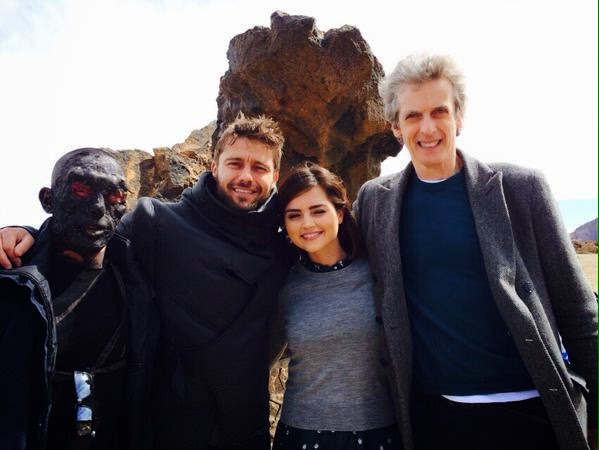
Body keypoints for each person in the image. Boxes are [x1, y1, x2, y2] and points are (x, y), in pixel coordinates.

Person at [0, 113, 293, 450]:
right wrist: (26, 236)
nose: (245, 176)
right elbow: (89, 239)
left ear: (275, 176)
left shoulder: (285, 248)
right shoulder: (156, 222)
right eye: (235, 163)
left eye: (259, 167)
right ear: (214, 166)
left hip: (243, 427)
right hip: (166, 427)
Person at [353, 53, 598, 450]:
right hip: (435, 419)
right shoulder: (374, 201)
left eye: (439, 111)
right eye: (413, 116)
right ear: (396, 126)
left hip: (534, 412)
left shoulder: (521, 188)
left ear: (459, 117)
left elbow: (579, 311)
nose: (428, 127)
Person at [0, 148, 156, 450]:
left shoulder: (139, 276)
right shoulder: (11, 283)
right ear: (48, 200)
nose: (98, 208)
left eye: (113, 196)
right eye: (81, 190)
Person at [271, 162, 401, 450]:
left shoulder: (379, 273)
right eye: (294, 215)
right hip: (301, 435)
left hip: (378, 434)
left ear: (340, 213)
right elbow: (259, 357)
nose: (307, 224)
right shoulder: (282, 286)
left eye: (318, 211)